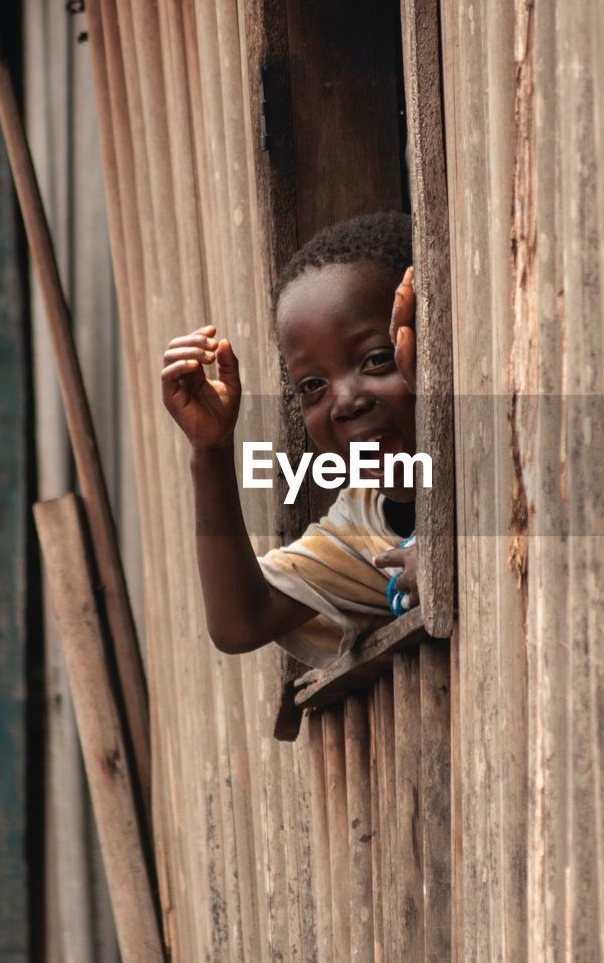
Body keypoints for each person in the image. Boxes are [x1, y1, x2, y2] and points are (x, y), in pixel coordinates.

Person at [161, 211, 420, 667]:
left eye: (377, 359)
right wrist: (211, 450)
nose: (344, 402)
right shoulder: (363, 528)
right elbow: (241, 620)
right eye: (312, 386)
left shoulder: (504, 454)